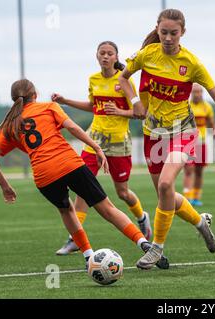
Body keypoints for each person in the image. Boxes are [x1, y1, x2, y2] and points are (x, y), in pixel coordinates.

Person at [0, 79, 168, 270]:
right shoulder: (48, 107)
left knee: (67, 210)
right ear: (34, 95)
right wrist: (96, 147)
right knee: (107, 208)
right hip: (69, 164)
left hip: (44, 176)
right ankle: (144, 244)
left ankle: (89, 256)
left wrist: (5, 187)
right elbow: (72, 127)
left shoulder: (10, 125)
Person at [118, 8, 215, 270]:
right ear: (157, 29)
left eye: (173, 33)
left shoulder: (192, 63)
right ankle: (201, 223)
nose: (167, 38)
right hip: (153, 134)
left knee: (165, 185)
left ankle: (157, 248)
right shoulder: (146, 55)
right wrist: (134, 102)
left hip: (183, 132)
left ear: (182, 33)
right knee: (166, 197)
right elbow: (123, 77)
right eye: (163, 32)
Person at [51, 41, 151, 256]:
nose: (105, 56)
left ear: (116, 57)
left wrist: (118, 111)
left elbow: (140, 113)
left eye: (109, 53)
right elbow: (93, 106)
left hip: (118, 142)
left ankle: (142, 217)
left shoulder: (124, 80)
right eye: (102, 53)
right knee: (81, 189)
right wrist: (65, 101)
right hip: (94, 139)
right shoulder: (93, 79)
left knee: (122, 193)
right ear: (97, 56)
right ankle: (75, 239)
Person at [182, 83, 215, 206]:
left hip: (201, 143)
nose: (198, 94)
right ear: (191, 93)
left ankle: (196, 197)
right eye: (195, 91)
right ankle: (187, 198)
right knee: (188, 169)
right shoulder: (186, 106)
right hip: (188, 142)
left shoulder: (207, 107)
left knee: (199, 171)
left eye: (200, 91)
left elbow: (212, 123)